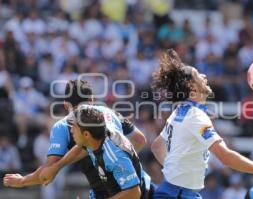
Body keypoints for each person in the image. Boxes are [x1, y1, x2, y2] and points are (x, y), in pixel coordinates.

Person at [150, 49, 253, 199]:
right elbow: (225, 157)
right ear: (192, 87)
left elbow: (157, 146)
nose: (204, 76)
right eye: (198, 75)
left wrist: (175, 171)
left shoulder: (179, 111)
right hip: (179, 194)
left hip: (175, 191)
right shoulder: (195, 116)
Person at [3, 79, 147, 199]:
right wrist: (127, 162)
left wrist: (23, 181)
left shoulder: (63, 126)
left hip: (114, 192)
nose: (72, 129)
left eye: (74, 127)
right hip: (137, 181)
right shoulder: (108, 113)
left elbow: (47, 173)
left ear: (66, 105)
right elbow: (139, 140)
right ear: (91, 100)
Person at [66, 105, 144, 198]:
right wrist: (55, 167)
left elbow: (134, 193)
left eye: (74, 127)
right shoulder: (93, 140)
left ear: (86, 134)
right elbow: (78, 150)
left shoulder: (114, 156)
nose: (71, 131)